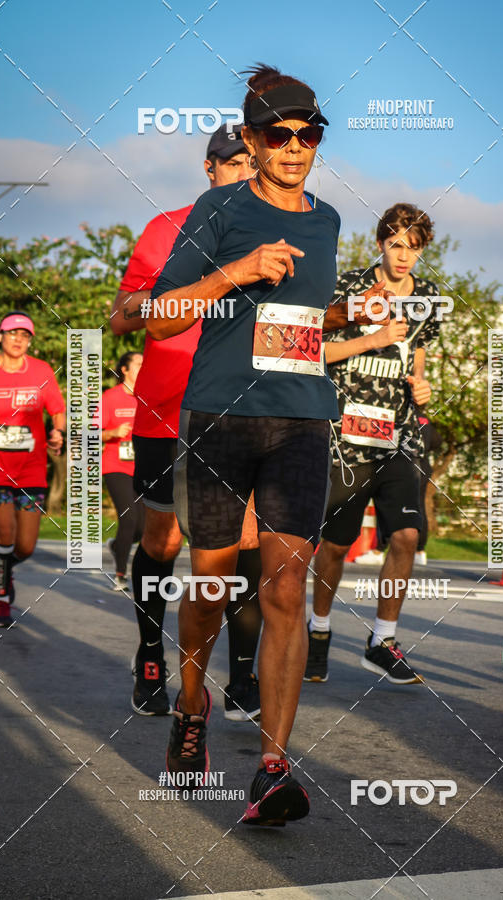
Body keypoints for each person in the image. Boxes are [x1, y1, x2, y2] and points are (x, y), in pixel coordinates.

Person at [147, 63, 340, 826]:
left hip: (301, 419)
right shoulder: (217, 209)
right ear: (253, 140)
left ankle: (271, 766)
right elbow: (160, 315)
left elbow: (303, 323)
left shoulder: (326, 221)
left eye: (308, 134)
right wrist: (237, 271)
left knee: (286, 589)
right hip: (220, 419)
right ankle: (190, 708)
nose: (295, 147)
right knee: (209, 593)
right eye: (278, 134)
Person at [110, 124, 265, 720]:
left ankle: (243, 677)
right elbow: (123, 318)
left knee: (242, 541)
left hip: (243, 412)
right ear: (209, 168)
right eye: (232, 163)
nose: (242, 171)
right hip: (166, 412)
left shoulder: (273, 234)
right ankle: (151, 654)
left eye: (250, 162)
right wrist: (184, 297)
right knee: (163, 540)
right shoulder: (165, 228)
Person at [305, 203, 441, 685]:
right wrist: (372, 338)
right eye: (397, 244)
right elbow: (314, 347)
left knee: (406, 536)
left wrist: (422, 387)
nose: (404, 256)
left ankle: (382, 640)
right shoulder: (348, 287)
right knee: (336, 547)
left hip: (401, 436)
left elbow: (418, 364)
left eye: (414, 247)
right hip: (348, 438)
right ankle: (318, 630)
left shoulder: (427, 296)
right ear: (381, 242)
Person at [0, 311, 65, 627]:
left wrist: (58, 432)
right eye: (12, 333)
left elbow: (58, 410)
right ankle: (0, 599)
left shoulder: (41, 370)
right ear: (1, 336)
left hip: (31, 468)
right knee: (5, 531)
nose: (18, 340)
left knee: (25, 545)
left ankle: (3, 570)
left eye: (24, 335)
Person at [101, 351, 144, 591]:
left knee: (143, 528)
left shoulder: (149, 396)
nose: (144, 367)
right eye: (139, 363)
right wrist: (112, 433)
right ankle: (120, 575)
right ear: (125, 369)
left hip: (143, 467)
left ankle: (118, 545)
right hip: (116, 466)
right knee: (129, 518)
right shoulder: (110, 397)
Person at [414, 410, 441, 566]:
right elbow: (438, 441)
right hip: (424, 466)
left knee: (393, 503)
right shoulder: (426, 420)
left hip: (409, 464)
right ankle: (420, 550)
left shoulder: (404, 414)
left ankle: (379, 549)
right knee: (420, 506)